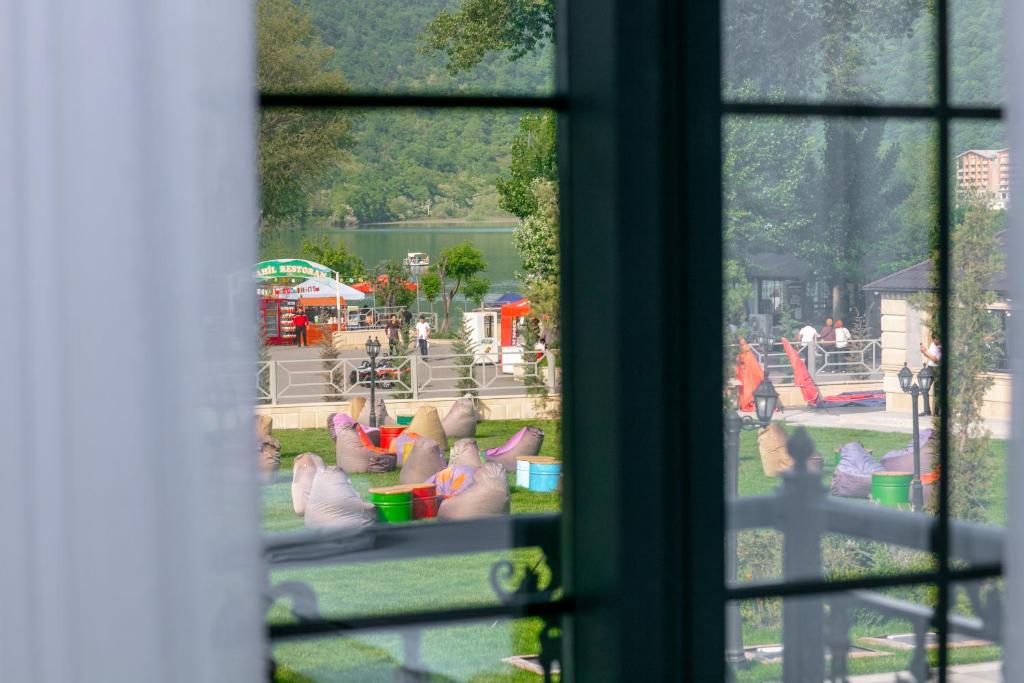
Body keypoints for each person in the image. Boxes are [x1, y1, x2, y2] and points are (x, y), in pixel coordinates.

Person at [920, 333, 942, 416]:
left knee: (937, 391)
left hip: (937, 369)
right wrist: (923, 351)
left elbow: (936, 360)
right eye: (933, 339)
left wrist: (926, 352)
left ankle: (937, 413)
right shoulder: (933, 344)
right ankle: (926, 411)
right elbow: (929, 356)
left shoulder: (941, 347)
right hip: (929, 368)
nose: (934, 341)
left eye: (935, 339)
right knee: (924, 388)